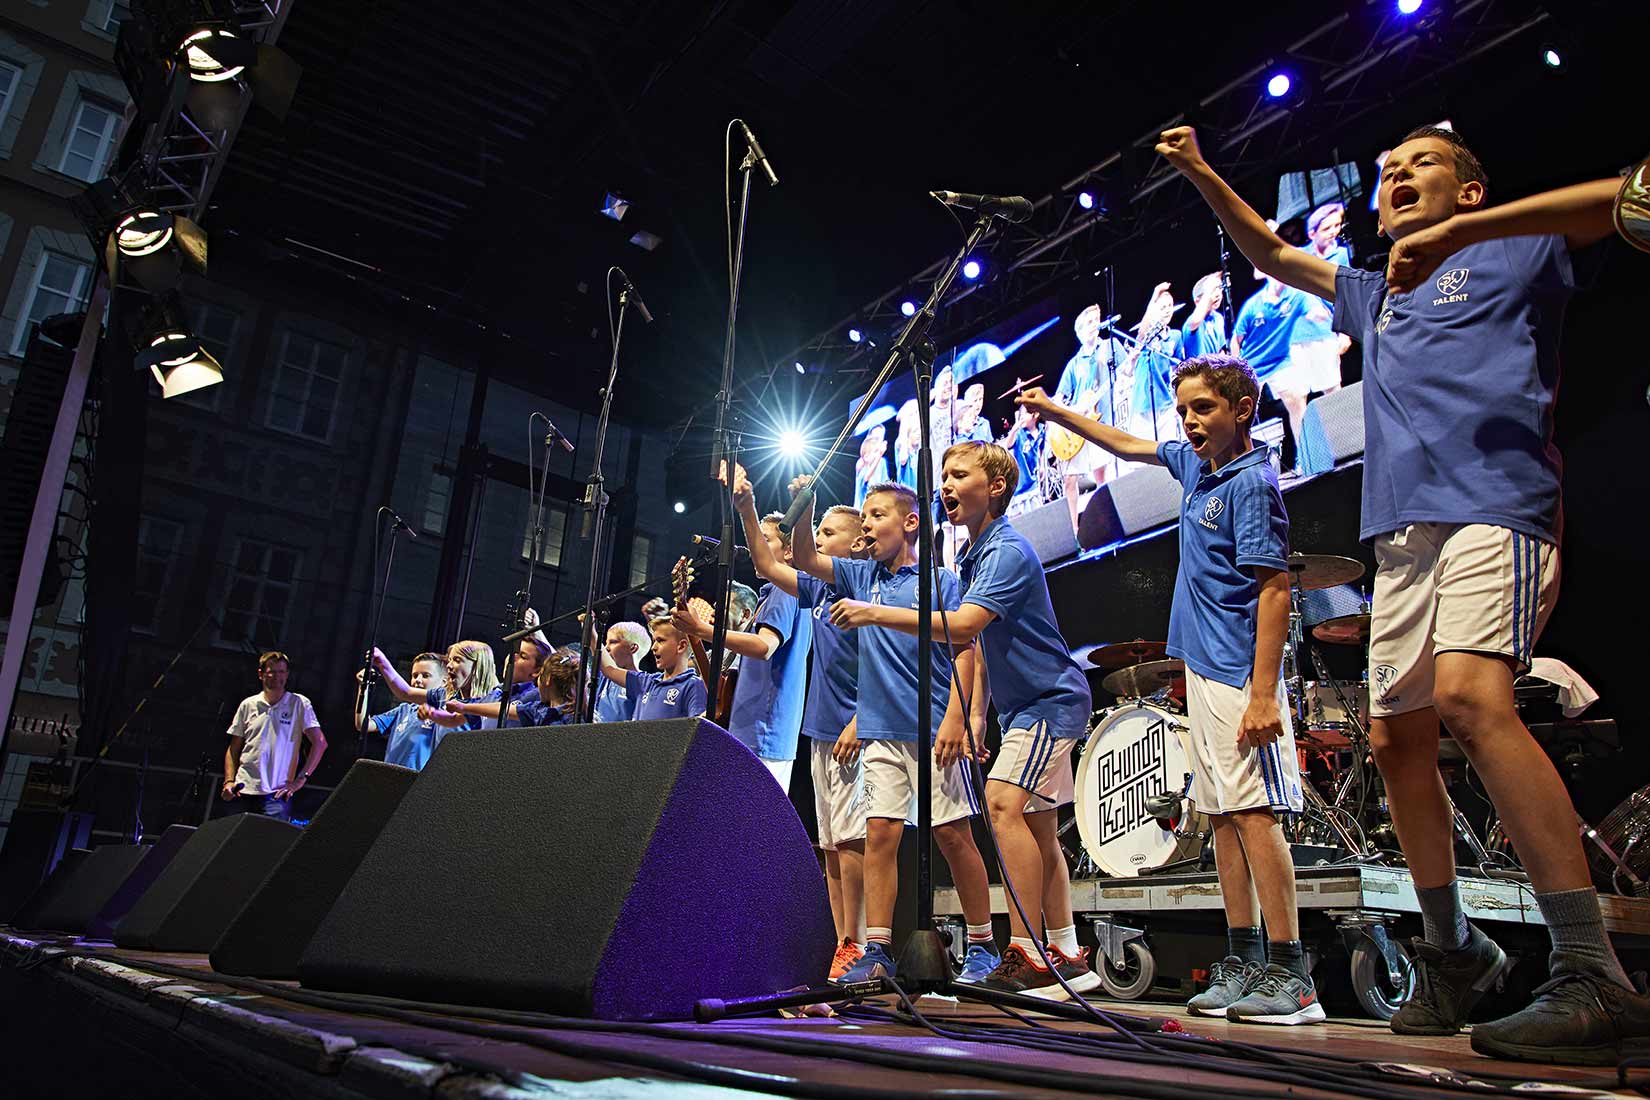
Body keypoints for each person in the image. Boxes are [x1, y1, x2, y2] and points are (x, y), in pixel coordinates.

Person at [1158, 121, 1648, 1061]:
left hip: (1494, 507)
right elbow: (1266, 248)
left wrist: (1469, 233)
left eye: (1419, 164)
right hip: (1404, 532)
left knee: (1471, 698)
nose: (1396, 178)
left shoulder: (1510, 245)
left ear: (1469, 190)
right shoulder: (1371, 292)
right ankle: (1455, 950)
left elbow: (1625, 196)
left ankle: (1592, 969)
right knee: (1393, 739)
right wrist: (1197, 169)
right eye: (1386, 173)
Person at [1020, 355, 1320, 1025]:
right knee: (1219, 818)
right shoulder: (1196, 468)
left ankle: (1292, 972)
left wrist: (1266, 692)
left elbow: (1274, 590)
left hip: (1243, 676)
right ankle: (1245, 958)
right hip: (1202, 670)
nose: (1188, 421)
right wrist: (1056, 410)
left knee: (1254, 817)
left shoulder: (1251, 481)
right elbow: (1127, 443)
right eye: (1182, 410)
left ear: (1242, 410)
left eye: (1203, 409)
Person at [829, 440, 1101, 1000]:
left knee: (1000, 804)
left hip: (1048, 702)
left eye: (958, 475)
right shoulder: (975, 555)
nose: (945, 486)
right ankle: (1069, 952)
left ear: (995, 487)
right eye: (943, 477)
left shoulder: (1004, 551)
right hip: (1027, 706)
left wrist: (874, 612)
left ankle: (1025, 952)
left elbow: (964, 628)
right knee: (1041, 829)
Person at [790, 478, 999, 986]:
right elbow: (803, 560)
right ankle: (878, 946)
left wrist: (959, 716)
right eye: (864, 517)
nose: (867, 524)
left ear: (909, 522)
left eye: (877, 515)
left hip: (931, 730)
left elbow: (965, 647)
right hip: (881, 731)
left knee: (952, 835)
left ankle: (983, 943)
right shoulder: (862, 577)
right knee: (880, 834)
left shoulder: (942, 581)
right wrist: (804, 510)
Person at [726, 461, 872, 979]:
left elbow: (891, 665)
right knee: (831, 844)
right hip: (819, 732)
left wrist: (862, 719)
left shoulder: (869, 590)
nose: (820, 540)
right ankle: (841, 945)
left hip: (856, 734)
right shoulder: (818, 592)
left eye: (832, 532)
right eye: (821, 530)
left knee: (854, 843)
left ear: (858, 545)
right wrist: (745, 508)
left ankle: (860, 942)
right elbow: (770, 565)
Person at [672, 509, 813, 790]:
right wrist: (697, 635)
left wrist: (702, 629)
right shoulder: (771, 595)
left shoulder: (783, 589)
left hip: (763, 733)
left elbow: (764, 647)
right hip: (754, 731)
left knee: (752, 828)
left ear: (788, 552)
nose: (753, 548)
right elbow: (720, 684)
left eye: (765, 540)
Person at [221, 651, 328, 821]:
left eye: (282, 672)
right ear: (261, 674)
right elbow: (234, 748)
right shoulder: (248, 704)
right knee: (233, 843)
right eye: (272, 671)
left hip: (276, 794)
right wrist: (228, 781)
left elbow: (320, 743)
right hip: (242, 790)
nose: (278, 676)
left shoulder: (299, 703)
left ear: (287, 674)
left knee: (269, 844)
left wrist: (301, 779)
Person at [1053, 304, 1122, 531]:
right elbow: (1060, 397)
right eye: (1089, 322)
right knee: (1070, 478)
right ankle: (1074, 529)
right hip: (1078, 426)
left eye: (1097, 320)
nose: (1095, 325)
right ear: (1080, 331)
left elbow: (1125, 370)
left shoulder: (1111, 346)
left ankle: (1109, 521)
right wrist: (1073, 410)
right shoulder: (1075, 363)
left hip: (1100, 421)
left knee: (1101, 474)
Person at [594, 616, 708, 721]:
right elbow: (609, 669)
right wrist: (592, 635)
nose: (653, 647)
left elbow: (696, 728)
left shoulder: (693, 685)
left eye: (660, 640)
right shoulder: (646, 682)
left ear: (681, 646)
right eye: (654, 641)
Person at [373, 640, 499, 731]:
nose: (449, 665)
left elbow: (453, 719)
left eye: (457, 660)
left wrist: (433, 713)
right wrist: (383, 663)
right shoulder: (445, 695)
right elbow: (406, 693)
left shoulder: (490, 701)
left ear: (477, 666)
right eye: (449, 660)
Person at [355, 651, 446, 770]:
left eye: (425, 675)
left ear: (444, 682)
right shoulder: (403, 710)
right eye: (414, 675)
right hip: (392, 779)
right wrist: (363, 687)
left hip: (420, 782)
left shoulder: (445, 713)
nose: (417, 680)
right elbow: (362, 725)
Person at [593, 621, 649, 723]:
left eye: (613, 642)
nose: (606, 648)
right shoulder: (603, 677)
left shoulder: (644, 683)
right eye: (606, 643)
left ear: (632, 648)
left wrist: (591, 632)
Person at [1181, 273, 1229, 359]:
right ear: (1197, 301)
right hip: (1198, 371)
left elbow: (1221, 349)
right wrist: (1209, 289)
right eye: (1212, 291)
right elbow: (1195, 321)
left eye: (1219, 288)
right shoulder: (1192, 321)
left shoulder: (1218, 318)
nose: (1217, 294)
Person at [854, 424, 889, 509]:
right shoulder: (861, 462)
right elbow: (866, 478)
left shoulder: (882, 462)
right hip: (862, 509)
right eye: (875, 438)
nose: (877, 441)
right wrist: (879, 454)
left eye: (879, 438)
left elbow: (886, 483)